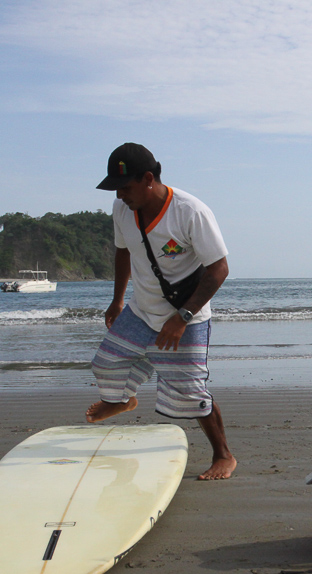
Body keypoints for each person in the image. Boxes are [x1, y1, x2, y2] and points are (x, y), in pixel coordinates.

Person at [85, 143, 237, 480]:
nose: (120, 195)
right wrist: (117, 299)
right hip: (142, 310)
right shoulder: (122, 209)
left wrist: (181, 318)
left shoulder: (190, 212)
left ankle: (223, 455)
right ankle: (124, 399)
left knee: (190, 391)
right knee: (107, 361)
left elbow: (219, 269)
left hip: (187, 314)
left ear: (148, 179)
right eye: (115, 189)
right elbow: (122, 252)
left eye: (125, 187)